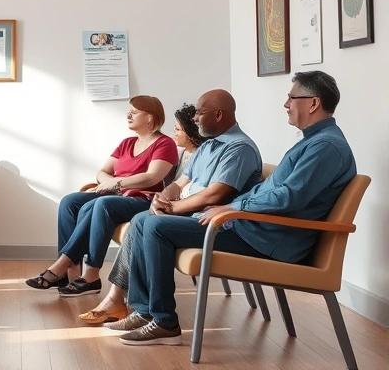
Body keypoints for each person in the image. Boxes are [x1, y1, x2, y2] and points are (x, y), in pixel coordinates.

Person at [112, 71, 356, 346]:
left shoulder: (325, 147)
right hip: (254, 229)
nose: (286, 104)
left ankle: (164, 321)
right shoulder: (313, 142)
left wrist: (231, 207)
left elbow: (289, 198)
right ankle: (146, 312)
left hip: (268, 239)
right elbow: (273, 193)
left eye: (291, 97)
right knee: (146, 221)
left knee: (155, 226)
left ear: (313, 103)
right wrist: (232, 208)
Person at [79, 97, 259, 324]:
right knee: (141, 219)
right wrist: (162, 199)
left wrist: (172, 208)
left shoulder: (238, 148)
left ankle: (161, 319)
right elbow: (181, 182)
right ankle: (137, 308)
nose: (194, 118)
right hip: (194, 215)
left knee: (152, 224)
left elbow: (214, 195)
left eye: (200, 113)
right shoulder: (209, 145)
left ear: (219, 115)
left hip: (217, 223)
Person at [25, 95, 178, 297]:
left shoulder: (164, 144)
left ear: (150, 117)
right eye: (128, 110)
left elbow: (152, 177)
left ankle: (89, 274)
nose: (128, 114)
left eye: (134, 110)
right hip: (116, 195)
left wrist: (118, 182)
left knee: (101, 204)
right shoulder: (126, 143)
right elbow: (102, 172)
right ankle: (69, 272)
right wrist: (110, 183)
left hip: (142, 200)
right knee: (70, 201)